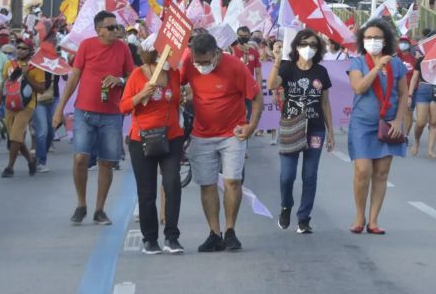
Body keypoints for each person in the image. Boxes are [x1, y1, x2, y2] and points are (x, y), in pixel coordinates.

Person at [53, 10, 135, 226]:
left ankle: (100, 210)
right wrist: (59, 109)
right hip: (85, 112)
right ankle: (81, 204)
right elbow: (73, 78)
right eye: (110, 27)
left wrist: (119, 80)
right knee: (80, 158)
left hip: (111, 115)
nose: (116, 31)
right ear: (99, 30)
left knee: (106, 162)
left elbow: (132, 77)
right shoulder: (87, 46)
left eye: (117, 27)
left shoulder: (123, 49)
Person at [180, 32, 260, 252]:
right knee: (206, 184)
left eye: (205, 62)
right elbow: (172, 83)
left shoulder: (234, 66)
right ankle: (214, 233)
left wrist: (251, 126)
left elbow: (256, 97)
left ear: (216, 53)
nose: (201, 66)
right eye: (198, 62)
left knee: (232, 181)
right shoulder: (189, 63)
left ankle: (231, 230)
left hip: (232, 134)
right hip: (202, 135)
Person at [120, 37, 185, 255]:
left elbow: (177, 100)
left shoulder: (174, 74)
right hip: (142, 140)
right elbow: (123, 107)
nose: (168, 58)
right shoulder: (138, 76)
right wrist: (141, 95)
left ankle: (172, 237)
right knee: (147, 192)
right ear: (152, 54)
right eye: (164, 54)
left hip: (172, 137)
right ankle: (150, 239)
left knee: (172, 183)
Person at [267, 29, 334, 234]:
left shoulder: (321, 72)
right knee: (287, 175)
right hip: (291, 126)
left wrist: (330, 131)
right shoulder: (287, 67)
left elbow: (324, 102)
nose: (308, 48)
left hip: (315, 128)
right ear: (296, 46)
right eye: (304, 44)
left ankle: (304, 218)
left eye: (313, 45)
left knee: (310, 175)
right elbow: (271, 85)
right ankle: (286, 206)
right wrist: (278, 60)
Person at [347, 19, 408, 235]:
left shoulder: (397, 64)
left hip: (387, 124)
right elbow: (359, 88)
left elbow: (403, 95)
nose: (373, 41)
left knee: (381, 172)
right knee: (363, 171)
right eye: (369, 38)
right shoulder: (357, 63)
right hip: (362, 123)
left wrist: (399, 121)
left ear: (386, 41)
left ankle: (373, 221)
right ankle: (359, 217)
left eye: (377, 38)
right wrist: (376, 68)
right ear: (362, 41)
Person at [0, 39, 41, 177]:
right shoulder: (9, 64)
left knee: (16, 135)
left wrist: (27, 74)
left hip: (26, 106)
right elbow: (3, 85)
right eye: (18, 47)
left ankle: (9, 167)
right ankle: (30, 160)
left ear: (30, 51)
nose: (20, 50)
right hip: (9, 104)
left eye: (24, 48)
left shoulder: (36, 67)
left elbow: (41, 89)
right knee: (14, 138)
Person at [396, 37, 416, 138]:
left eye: (404, 42)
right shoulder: (396, 57)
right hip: (397, 89)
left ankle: (405, 136)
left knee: (408, 113)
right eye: (401, 43)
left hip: (410, 90)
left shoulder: (413, 59)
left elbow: (417, 75)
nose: (402, 44)